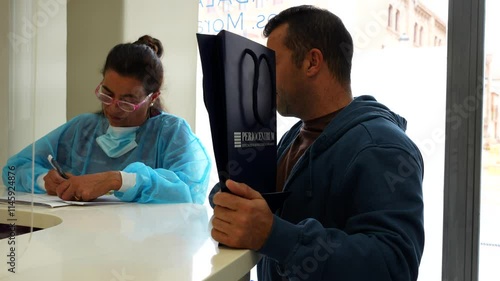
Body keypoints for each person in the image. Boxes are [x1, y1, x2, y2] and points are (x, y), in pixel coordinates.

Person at [210, 5, 424, 281]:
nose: (262, 76)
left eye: (271, 62)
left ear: (312, 62)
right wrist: (231, 198)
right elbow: (265, 205)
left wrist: (275, 236)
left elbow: (394, 266)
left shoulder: (382, 147)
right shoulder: (296, 135)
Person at [2, 35, 211, 204]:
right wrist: (43, 180)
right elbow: (13, 169)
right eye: (107, 94)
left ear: (152, 97)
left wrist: (117, 180)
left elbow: (189, 192)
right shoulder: (81, 128)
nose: (112, 107)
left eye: (127, 101)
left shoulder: (171, 133)